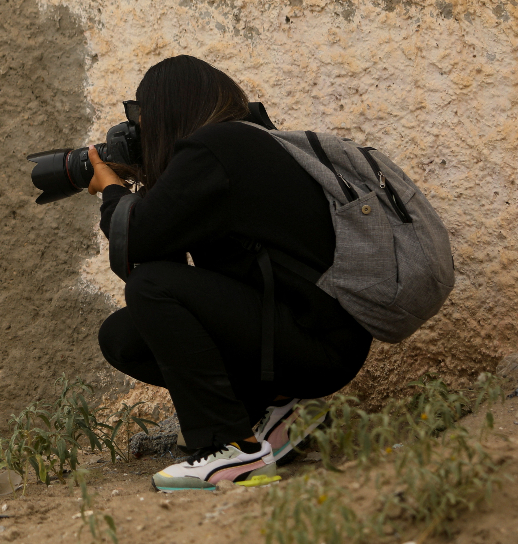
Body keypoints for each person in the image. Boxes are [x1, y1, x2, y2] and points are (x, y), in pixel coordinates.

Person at [87, 55, 373, 491]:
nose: (138, 127)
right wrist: (145, 182)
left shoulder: (214, 148)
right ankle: (273, 413)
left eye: (140, 113)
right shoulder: (240, 143)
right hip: (316, 336)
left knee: (153, 286)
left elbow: (142, 243)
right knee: (124, 337)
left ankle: (231, 449)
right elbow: (166, 242)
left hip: (316, 343)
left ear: (167, 108)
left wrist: (110, 190)